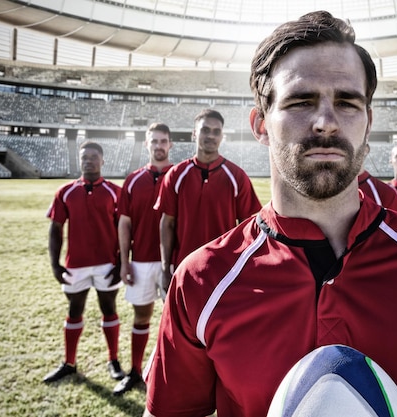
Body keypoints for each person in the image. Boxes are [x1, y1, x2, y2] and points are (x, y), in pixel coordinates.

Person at [143, 11, 397, 417]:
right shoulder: (202, 280)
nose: (327, 122)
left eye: (347, 102)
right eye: (301, 100)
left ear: (368, 124)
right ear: (260, 124)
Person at [154, 108, 262, 292]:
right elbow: (167, 224)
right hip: (184, 266)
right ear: (194, 134)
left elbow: (249, 226)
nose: (211, 135)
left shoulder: (237, 176)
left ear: (222, 136)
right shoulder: (176, 174)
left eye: (216, 131)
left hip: (224, 269)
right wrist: (165, 268)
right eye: (205, 130)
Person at [44, 141, 125, 383]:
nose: (88, 160)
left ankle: (113, 361)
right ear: (79, 161)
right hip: (75, 264)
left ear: (102, 161)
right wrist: (55, 264)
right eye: (84, 157)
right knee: (74, 310)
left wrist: (121, 263)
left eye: (93, 156)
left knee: (109, 308)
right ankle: (69, 363)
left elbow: (124, 229)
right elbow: (55, 229)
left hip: (107, 263)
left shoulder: (115, 191)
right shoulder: (66, 191)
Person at [112, 123, 173, 395]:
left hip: (171, 262)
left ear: (170, 145)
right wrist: (124, 261)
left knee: (175, 323)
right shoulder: (133, 179)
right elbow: (124, 223)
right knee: (141, 317)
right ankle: (136, 371)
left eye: (163, 141)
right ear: (147, 144)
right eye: (154, 141)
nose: (158, 146)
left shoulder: (180, 174)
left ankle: (169, 377)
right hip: (140, 261)